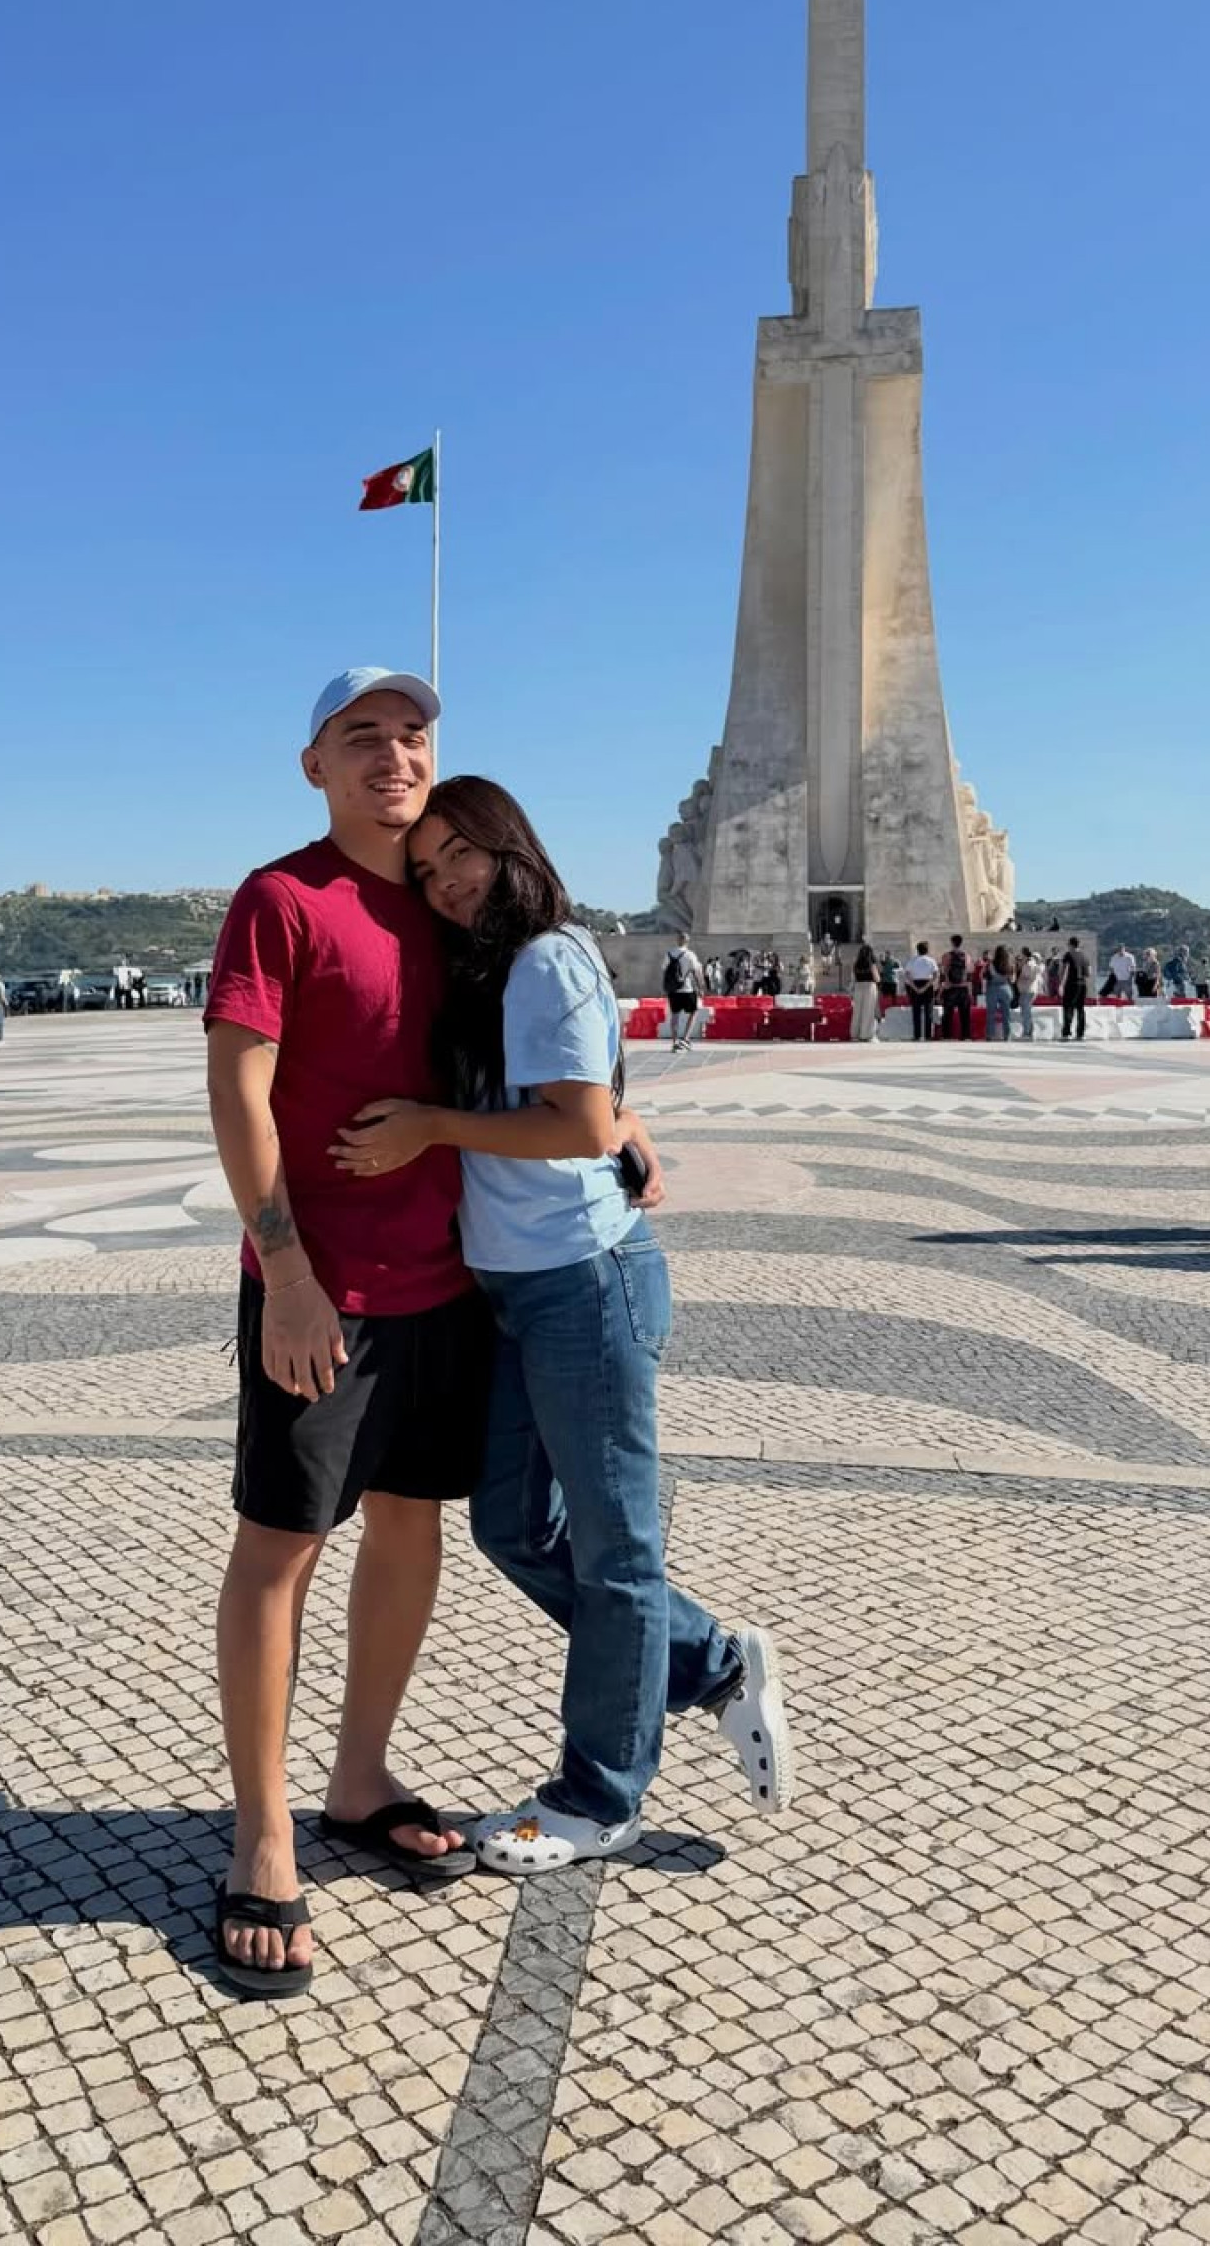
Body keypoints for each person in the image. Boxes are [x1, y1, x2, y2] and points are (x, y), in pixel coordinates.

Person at [335, 776, 790, 1874]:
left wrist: (433, 1129)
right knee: (512, 1526)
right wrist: (626, 1121)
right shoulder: (491, 966)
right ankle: (708, 1661)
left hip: (585, 1280)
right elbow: (598, 1107)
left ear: (510, 848)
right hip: (517, 1289)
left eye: (462, 857)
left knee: (615, 1546)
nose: (445, 881)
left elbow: (579, 1118)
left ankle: (600, 1794)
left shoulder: (547, 953)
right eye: (428, 867)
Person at [202, 668, 491, 1999]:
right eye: (362, 737)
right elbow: (238, 1090)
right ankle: (264, 1838)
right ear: (313, 766)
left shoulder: (453, 902)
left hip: (447, 1283)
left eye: (412, 734)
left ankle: (357, 1777)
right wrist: (287, 1270)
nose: (394, 755)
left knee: (413, 1525)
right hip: (323, 1283)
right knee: (282, 1548)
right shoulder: (282, 899)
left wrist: (621, 1119)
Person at [661, 936, 704, 1052]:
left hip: (674, 990)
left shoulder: (669, 953)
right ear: (687, 942)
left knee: (675, 1015)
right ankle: (685, 1038)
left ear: (677, 940)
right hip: (688, 989)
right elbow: (696, 972)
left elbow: (664, 969)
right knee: (693, 1012)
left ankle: (675, 1042)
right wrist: (701, 988)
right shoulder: (690, 955)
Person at [903, 940, 939, 1042]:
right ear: (927, 950)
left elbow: (907, 975)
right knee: (928, 1012)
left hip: (915, 985)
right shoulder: (931, 960)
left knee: (916, 1012)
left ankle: (917, 1035)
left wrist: (914, 987)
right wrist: (927, 986)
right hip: (927, 985)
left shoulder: (912, 961)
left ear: (917, 950)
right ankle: (928, 1035)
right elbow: (936, 975)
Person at [939, 935, 971, 1041]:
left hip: (951, 987)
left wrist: (943, 987)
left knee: (948, 1013)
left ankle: (947, 1035)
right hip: (963, 988)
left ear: (952, 942)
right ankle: (965, 1036)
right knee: (965, 1014)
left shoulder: (946, 956)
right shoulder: (967, 956)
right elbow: (968, 973)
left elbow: (943, 972)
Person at [1058, 937, 1089, 1042]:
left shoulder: (1068, 955)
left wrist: (1061, 985)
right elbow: (1089, 973)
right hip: (1083, 984)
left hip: (1071, 984)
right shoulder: (1084, 956)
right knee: (1080, 1009)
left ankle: (1066, 1033)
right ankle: (1080, 1033)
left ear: (1071, 945)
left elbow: (1065, 970)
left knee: (1068, 1008)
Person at [984, 944, 1015, 1041]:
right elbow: (1013, 980)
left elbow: (986, 976)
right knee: (1007, 1014)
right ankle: (1007, 1035)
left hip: (993, 988)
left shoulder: (991, 964)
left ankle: (990, 1035)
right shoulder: (1010, 964)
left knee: (991, 1013)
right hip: (1005, 988)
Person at [851, 941, 878, 1042]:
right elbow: (877, 978)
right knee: (868, 1011)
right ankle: (866, 1034)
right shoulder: (871, 963)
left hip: (858, 986)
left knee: (857, 1011)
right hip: (869, 986)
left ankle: (855, 1034)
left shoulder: (856, 963)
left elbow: (853, 977)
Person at [1015, 945, 1041, 1040]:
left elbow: (1029, 975)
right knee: (1026, 1011)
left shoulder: (1030, 964)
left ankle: (1027, 1032)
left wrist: (1021, 977)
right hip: (1026, 989)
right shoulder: (1027, 963)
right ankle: (1028, 1030)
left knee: (1026, 1012)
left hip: (1027, 990)